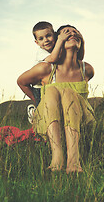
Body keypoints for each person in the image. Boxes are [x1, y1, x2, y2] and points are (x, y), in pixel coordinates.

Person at [17, 25, 95, 173]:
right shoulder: (45, 68)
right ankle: (57, 157)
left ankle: (73, 160)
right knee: (52, 90)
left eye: (75, 33)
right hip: (51, 122)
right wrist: (38, 102)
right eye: (67, 33)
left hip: (82, 121)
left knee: (68, 93)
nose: (72, 34)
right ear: (59, 41)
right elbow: (21, 81)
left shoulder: (87, 69)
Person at [27, 21, 85, 123]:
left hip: (50, 85)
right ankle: (34, 113)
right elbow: (53, 58)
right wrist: (60, 40)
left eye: (48, 36)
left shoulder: (57, 47)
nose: (46, 40)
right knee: (43, 108)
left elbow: (78, 58)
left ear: (53, 35)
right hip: (38, 87)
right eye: (41, 38)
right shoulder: (41, 52)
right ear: (37, 43)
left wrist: (82, 42)